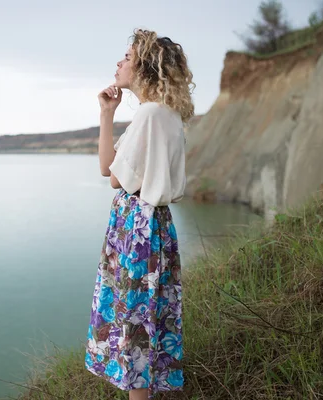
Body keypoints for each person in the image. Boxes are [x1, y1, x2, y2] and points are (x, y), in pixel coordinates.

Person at [85, 28, 195, 400]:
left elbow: (113, 176)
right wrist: (107, 113)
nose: (120, 62)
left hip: (137, 225)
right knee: (147, 322)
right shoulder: (167, 114)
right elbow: (109, 168)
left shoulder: (149, 114)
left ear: (145, 66)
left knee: (134, 327)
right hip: (157, 225)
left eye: (128, 57)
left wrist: (107, 117)